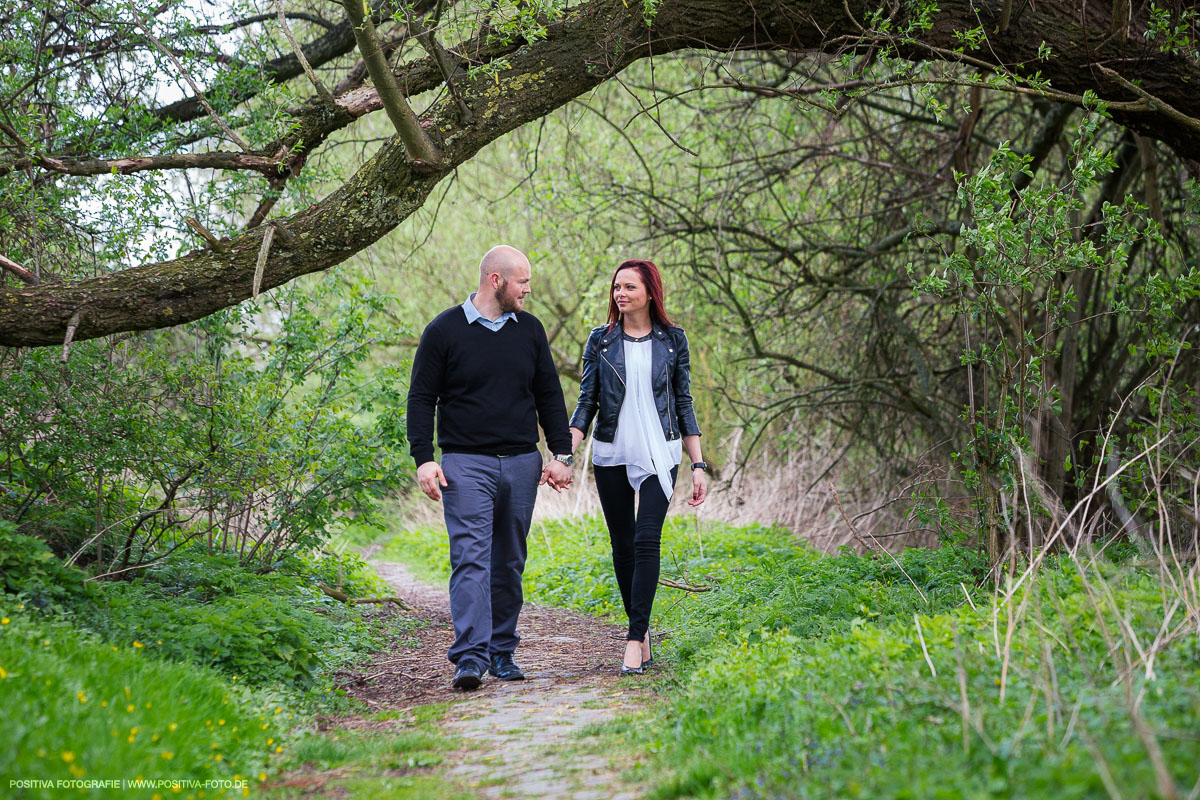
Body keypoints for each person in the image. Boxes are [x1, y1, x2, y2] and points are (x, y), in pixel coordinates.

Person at [406, 245, 575, 691]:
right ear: (496, 281)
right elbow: (421, 398)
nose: (528, 290)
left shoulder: (531, 331)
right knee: (470, 560)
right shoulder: (443, 330)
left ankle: (502, 652)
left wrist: (562, 454)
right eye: (522, 281)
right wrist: (424, 458)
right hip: (466, 464)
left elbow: (549, 397)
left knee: (509, 561)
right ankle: (469, 658)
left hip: (522, 464)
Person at [568, 259, 707, 675]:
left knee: (647, 539)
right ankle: (642, 633)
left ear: (650, 291)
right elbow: (587, 401)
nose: (620, 294)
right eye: (616, 287)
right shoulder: (601, 340)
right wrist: (565, 452)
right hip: (612, 451)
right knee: (623, 545)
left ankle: (633, 638)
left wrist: (698, 464)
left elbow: (683, 402)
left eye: (629, 287)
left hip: (660, 454)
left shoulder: (673, 340)